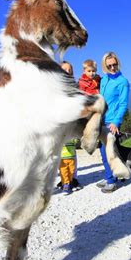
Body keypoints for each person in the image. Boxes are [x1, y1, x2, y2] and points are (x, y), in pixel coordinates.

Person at [97, 51, 130, 193]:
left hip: (112, 122)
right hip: (101, 120)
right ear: (104, 65)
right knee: (102, 151)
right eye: (109, 65)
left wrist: (116, 122)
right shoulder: (104, 80)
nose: (112, 68)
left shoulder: (123, 82)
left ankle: (111, 181)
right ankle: (109, 175)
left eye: (114, 65)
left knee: (108, 151)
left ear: (118, 64)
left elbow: (123, 104)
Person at [57, 61, 80, 194]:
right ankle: (64, 179)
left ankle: (73, 178)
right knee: (61, 153)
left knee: (72, 154)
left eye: (69, 69)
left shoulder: (74, 86)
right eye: (64, 69)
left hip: (72, 121)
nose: (67, 71)